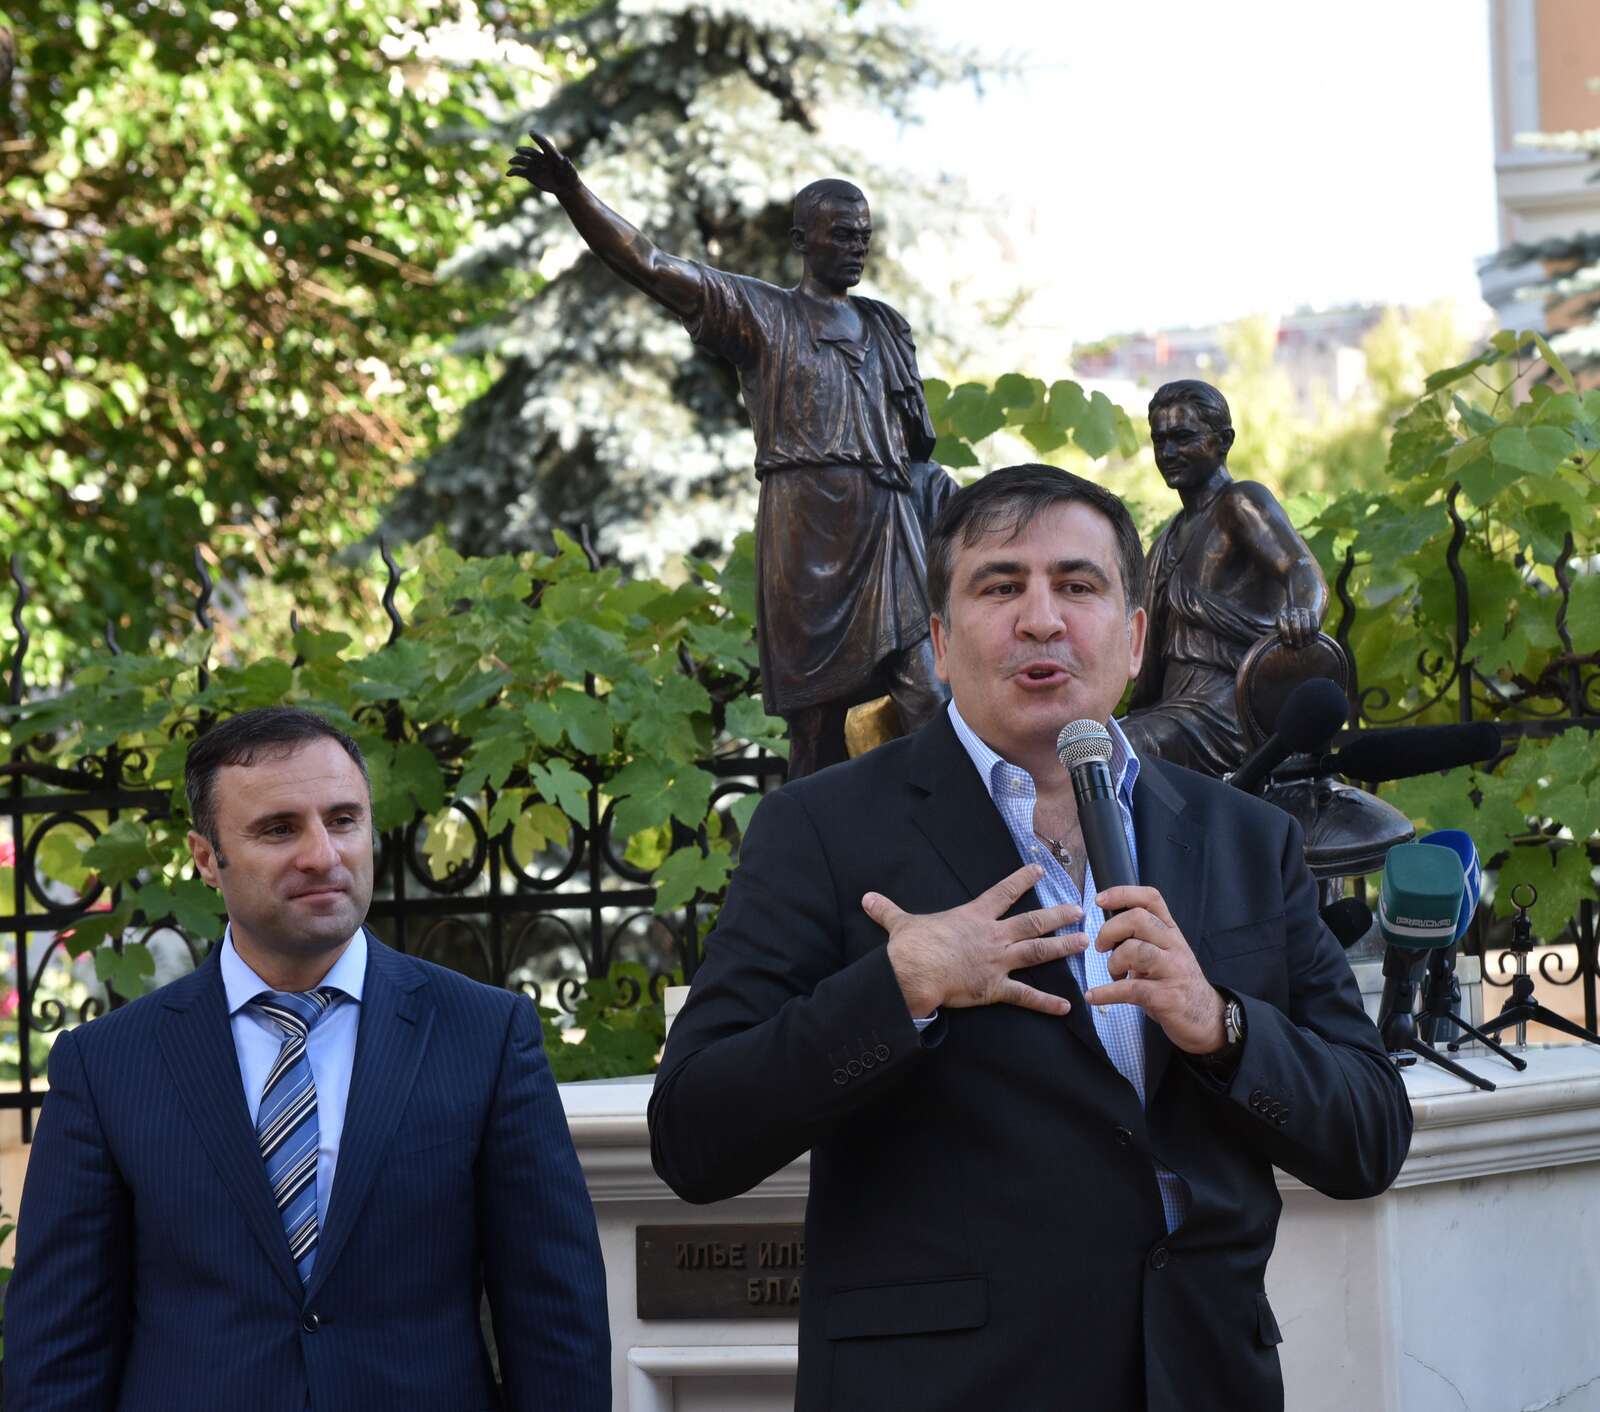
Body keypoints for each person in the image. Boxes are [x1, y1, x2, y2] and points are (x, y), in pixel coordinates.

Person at [650, 464, 1413, 1412]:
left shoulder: (1244, 837)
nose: (1042, 619)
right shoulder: (823, 830)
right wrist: (899, 988)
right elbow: (693, 1136)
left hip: (1202, 1379)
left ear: (1136, 638)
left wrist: (1221, 1026)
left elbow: (1370, 1136)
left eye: (1078, 585)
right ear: (940, 643)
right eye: (1001, 586)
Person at [5, 707, 611, 1411]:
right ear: (206, 859)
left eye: (344, 820)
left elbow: (555, 1319)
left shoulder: (484, 1035)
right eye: (278, 828)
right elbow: (57, 1350)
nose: (323, 854)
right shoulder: (106, 1067)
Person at [509, 132, 950, 779]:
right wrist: (575, 194)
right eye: (841, 234)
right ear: (801, 241)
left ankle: (944, 824)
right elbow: (652, 265)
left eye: (863, 235)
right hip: (807, 537)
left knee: (929, 693)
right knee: (817, 729)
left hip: (888, 529)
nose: (857, 246)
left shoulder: (885, 327)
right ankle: (809, 837)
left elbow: (915, 450)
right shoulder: (763, 314)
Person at [1122, 378, 1329, 777]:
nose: (1167, 452)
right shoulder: (1169, 536)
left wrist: (1304, 611)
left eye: (1183, 437)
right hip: (1173, 706)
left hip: (1227, 710)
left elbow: (1300, 568)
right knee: (1090, 741)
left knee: (1120, 747)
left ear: (1223, 441)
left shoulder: (1240, 502)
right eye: (1159, 440)